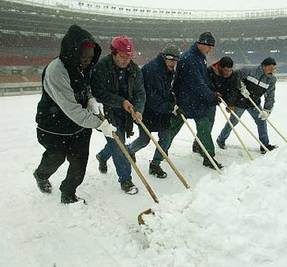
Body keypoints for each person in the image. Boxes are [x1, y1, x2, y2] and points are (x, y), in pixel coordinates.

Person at [33, 25, 116, 204]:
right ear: (72, 52)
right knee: (56, 158)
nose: (87, 62)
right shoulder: (57, 71)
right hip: (54, 125)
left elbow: (87, 89)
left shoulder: (84, 66)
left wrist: (92, 100)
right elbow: (71, 109)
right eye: (84, 57)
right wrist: (100, 124)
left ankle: (68, 193)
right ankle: (41, 175)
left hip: (79, 126)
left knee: (79, 162)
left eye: (90, 58)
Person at [91, 36, 146, 194]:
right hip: (107, 113)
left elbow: (140, 93)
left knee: (117, 142)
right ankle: (126, 180)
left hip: (126, 113)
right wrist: (120, 101)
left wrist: (139, 110)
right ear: (114, 53)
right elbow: (98, 92)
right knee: (119, 146)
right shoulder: (101, 67)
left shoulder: (134, 70)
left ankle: (102, 156)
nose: (125, 61)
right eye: (122, 56)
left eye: (128, 57)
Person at [166, 32, 223, 169]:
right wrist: (210, 96)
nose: (210, 50)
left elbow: (203, 80)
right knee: (174, 128)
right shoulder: (190, 58)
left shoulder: (199, 57)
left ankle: (208, 155)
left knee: (202, 127)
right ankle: (161, 150)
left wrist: (212, 92)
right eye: (209, 46)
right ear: (201, 44)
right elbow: (197, 84)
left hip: (195, 100)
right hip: (187, 100)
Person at [127, 44, 180, 179]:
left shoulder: (169, 70)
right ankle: (129, 150)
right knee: (144, 139)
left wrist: (173, 101)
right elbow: (151, 98)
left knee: (166, 138)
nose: (173, 63)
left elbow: (167, 91)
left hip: (161, 111)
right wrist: (169, 107)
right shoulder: (152, 70)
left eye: (175, 60)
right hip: (147, 111)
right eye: (170, 59)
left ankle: (155, 164)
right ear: (163, 57)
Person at [216, 57, 278, 154]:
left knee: (262, 121)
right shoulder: (249, 70)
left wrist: (267, 110)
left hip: (254, 103)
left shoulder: (271, 80)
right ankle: (221, 139)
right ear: (263, 66)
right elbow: (235, 76)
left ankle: (264, 145)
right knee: (233, 121)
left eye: (274, 68)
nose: (272, 70)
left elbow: (270, 95)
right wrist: (241, 87)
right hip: (240, 102)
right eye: (270, 68)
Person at [192, 56, 240, 154]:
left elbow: (233, 90)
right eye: (226, 70)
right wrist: (213, 94)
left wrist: (230, 103)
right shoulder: (209, 71)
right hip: (206, 101)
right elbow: (204, 87)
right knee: (207, 124)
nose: (228, 73)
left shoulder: (232, 75)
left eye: (230, 70)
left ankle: (200, 143)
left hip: (218, 99)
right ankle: (199, 145)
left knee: (209, 124)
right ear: (220, 67)